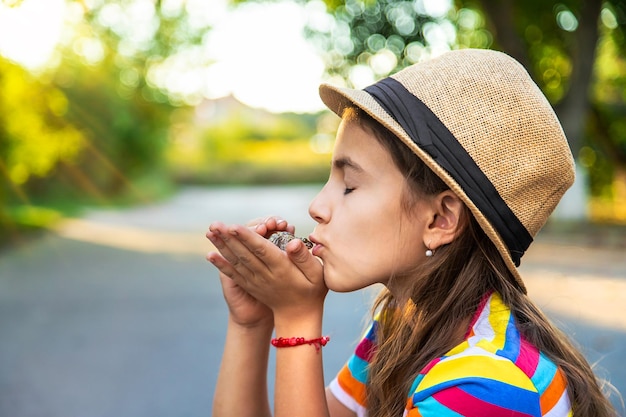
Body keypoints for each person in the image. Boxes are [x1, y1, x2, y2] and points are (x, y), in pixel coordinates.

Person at [206, 49, 618, 417]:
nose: (317, 206)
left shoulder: (488, 386)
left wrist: (296, 318)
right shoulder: (402, 325)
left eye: (349, 185)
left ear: (440, 220)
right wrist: (252, 323)